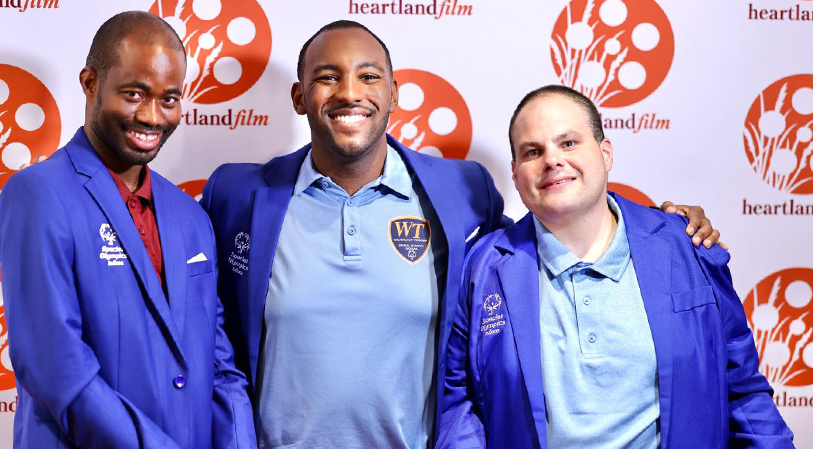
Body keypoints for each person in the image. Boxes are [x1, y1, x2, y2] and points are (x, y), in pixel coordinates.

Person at [201, 21, 720, 448]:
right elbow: (212, 333)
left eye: (368, 76)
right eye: (327, 77)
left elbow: (535, 249)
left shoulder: (462, 189)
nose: (350, 93)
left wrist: (667, 226)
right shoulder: (237, 194)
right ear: (299, 96)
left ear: (395, 94)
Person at [437, 85, 793, 448]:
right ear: (515, 174)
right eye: (533, 151)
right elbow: (458, 403)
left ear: (605, 153)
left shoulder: (688, 245)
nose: (552, 160)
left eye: (569, 143)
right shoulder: (481, 268)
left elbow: (743, 389)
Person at [0, 11, 254, 448]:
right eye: (134, 93)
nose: (152, 116)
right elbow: (54, 364)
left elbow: (219, 364)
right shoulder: (38, 195)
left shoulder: (190, 216)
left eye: (169, 99)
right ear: (90, 83)